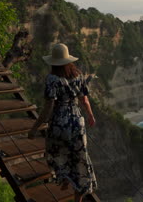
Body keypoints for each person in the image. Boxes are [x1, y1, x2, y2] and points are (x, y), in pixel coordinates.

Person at [28, 43, 97, 202]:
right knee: (79, 156)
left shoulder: (52, 79)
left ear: (53, 62)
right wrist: (91, 116)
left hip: (60, 122)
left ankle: (65, 177)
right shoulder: (78, 75)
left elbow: (48, 108)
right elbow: (84, 99)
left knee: (55, 150)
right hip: (77, 121)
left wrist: (34, 128)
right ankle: (77, 193)